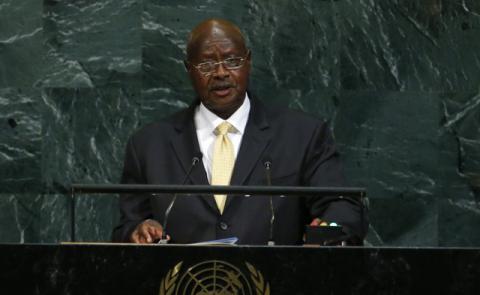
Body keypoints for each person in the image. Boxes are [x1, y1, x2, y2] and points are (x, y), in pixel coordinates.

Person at [112, 18, 367, 245]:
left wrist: (329, 231)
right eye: (206, 64)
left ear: (249, 61)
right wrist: (138, 230)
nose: (221, 73)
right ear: (189, 69)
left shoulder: (303, 135)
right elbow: (127, 227)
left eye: (232, 61)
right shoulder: (148, 144)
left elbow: (341, 207)